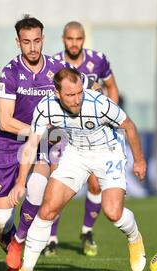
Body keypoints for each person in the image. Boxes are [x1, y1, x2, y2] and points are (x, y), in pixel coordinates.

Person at [0, 67, 147, 271]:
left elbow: (129, 127)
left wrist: (139, 160)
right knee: (48, 208)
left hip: (108, 151)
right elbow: (32, 143)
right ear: (57, 93)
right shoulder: (46, 107)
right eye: (70, 95)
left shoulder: (99, 103)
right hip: (76, 153)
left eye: (79, 92)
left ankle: (134, 239)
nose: (77, 99)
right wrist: (21, 182)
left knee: (113, 212)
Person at [0, 15, 92, 271]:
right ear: (18, 42)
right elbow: (5, 120)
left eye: (37, 41)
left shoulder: (57, 70)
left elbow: (79, 96)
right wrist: (35, 130)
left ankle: (20, 247)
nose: (33, 47)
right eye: (26, 42)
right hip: (8, 145)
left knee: (36, 186)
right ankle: (12, 240)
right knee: (2, 221)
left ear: (43, 40)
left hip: (47, 143)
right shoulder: (10, 72)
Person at [43, 21, 121, 257]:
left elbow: (111, 87)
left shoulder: (98, 59)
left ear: (84, 39)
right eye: (70, 39)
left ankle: (87, 232)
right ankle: (51, 238)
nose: (74, 43)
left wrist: (111, 115)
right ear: (63, 39)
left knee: (96, 182)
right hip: (63, 131)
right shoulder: (55, 63)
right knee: (58, 180)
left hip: (93, 132)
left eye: (78, 39)